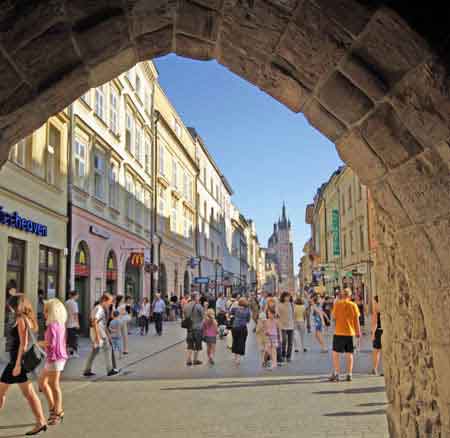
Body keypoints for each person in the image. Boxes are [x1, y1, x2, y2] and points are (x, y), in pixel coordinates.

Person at [0, 295, 47, 435]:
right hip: (18, 362)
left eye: (10, 305)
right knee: (29, 394)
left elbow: (24, 343)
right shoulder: (29, 319)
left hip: (16, 362)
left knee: (1, 392)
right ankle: (41, 421)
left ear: (16, 306)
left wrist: (17, 365)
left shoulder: (21, 319)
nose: (9, 308)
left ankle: (41, 421)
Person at [38, 298, 68, 426]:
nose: (44, 313)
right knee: (42, 382)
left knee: (53, 385)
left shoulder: (51, 326)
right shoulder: (60, 324)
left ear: (52, 312)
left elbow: (50, 343)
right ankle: (53, 409)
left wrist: (38, 343)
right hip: (56, 357)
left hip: (54, 358)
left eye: (46, 311)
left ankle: (58, 411)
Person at [83, 293, 119, 377]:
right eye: (109, 301)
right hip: (99, 332)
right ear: (104, 300)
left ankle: (87, 370)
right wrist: (98, 336)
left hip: (99, 331)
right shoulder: (99, 308)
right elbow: (94, 321)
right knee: (107, 349)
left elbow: (103, 323)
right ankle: (109, 369)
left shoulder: (101, 308)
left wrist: (107, 334)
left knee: (95, 351)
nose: (110, 303)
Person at [329, 288, 361, 382]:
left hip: (339, 332)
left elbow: (334, 318)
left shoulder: (337, 304)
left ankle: (337, 373)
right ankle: (349, 374)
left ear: (342, 295)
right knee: (349, 354)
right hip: (350, 333)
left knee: (335, 354)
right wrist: (358, 332)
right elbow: (356, 320)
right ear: (350, 295)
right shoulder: (354, 305)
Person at [184, 292, 204, 366]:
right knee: (197, 344)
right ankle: (195, 360)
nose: (199, 297)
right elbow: (203, 316)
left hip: (189, 328)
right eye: (198, 296)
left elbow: (185, 315)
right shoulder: (198, 306)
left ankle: (188, 360)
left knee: (190, 344)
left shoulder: (186, 305)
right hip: (198, 328)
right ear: (195, 297)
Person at [230, 297, 251, 366]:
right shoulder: (247, 310)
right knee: (241, 342)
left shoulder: (235, 309)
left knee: (235, 341)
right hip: (242, 328)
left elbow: (230, 313)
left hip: (235, 328)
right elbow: (248, 320)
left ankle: (235, 357)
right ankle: (238, 359)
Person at [278, 292, 295, 363]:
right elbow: (278, 315)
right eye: (286, 297)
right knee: (284, 341)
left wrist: (294, 323)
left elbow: (293, 314)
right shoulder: (280, 305)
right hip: (282, 326)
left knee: (290, 342)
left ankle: (289, 356)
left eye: (289, 297)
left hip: (291, 325)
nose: (287, 298)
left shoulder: (291, 304)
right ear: (283, 297)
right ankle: (283, 355)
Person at [65, 291, 80, 358]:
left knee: (69, 339)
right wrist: (77, 323)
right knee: (74, 339)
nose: (78, 296)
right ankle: (73, 353)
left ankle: (68, 353)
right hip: (73, 324)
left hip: (67, 323)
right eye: (77, 295)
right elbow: (75, 314)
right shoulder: (74, 303)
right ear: (75, 295)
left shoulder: (66, 302)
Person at [371, 295, 383, 376]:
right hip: (385, 330)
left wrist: (372, 334)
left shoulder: (376, 309)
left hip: (378, 331)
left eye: (374, 302)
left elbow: (374, 322)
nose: (374, 303)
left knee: (376, 351)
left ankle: (375, 368)